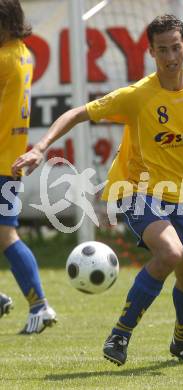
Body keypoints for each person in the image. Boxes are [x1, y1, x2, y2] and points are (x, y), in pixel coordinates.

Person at [12, 15, 183, 362]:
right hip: (137, 188)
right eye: (162, 50)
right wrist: (41, 147)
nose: (171, 56)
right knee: (170, 254)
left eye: (176, 47)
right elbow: (77, 113)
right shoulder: (138, 95)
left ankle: (182, 341)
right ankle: (120, 334)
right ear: (150, 52)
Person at [0, 0, 57, 334]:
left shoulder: (5, 58)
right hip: (10, 159)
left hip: (1, 161)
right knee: (5, 233)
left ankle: (40, 307)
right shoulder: (23, 53)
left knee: (6, 235)